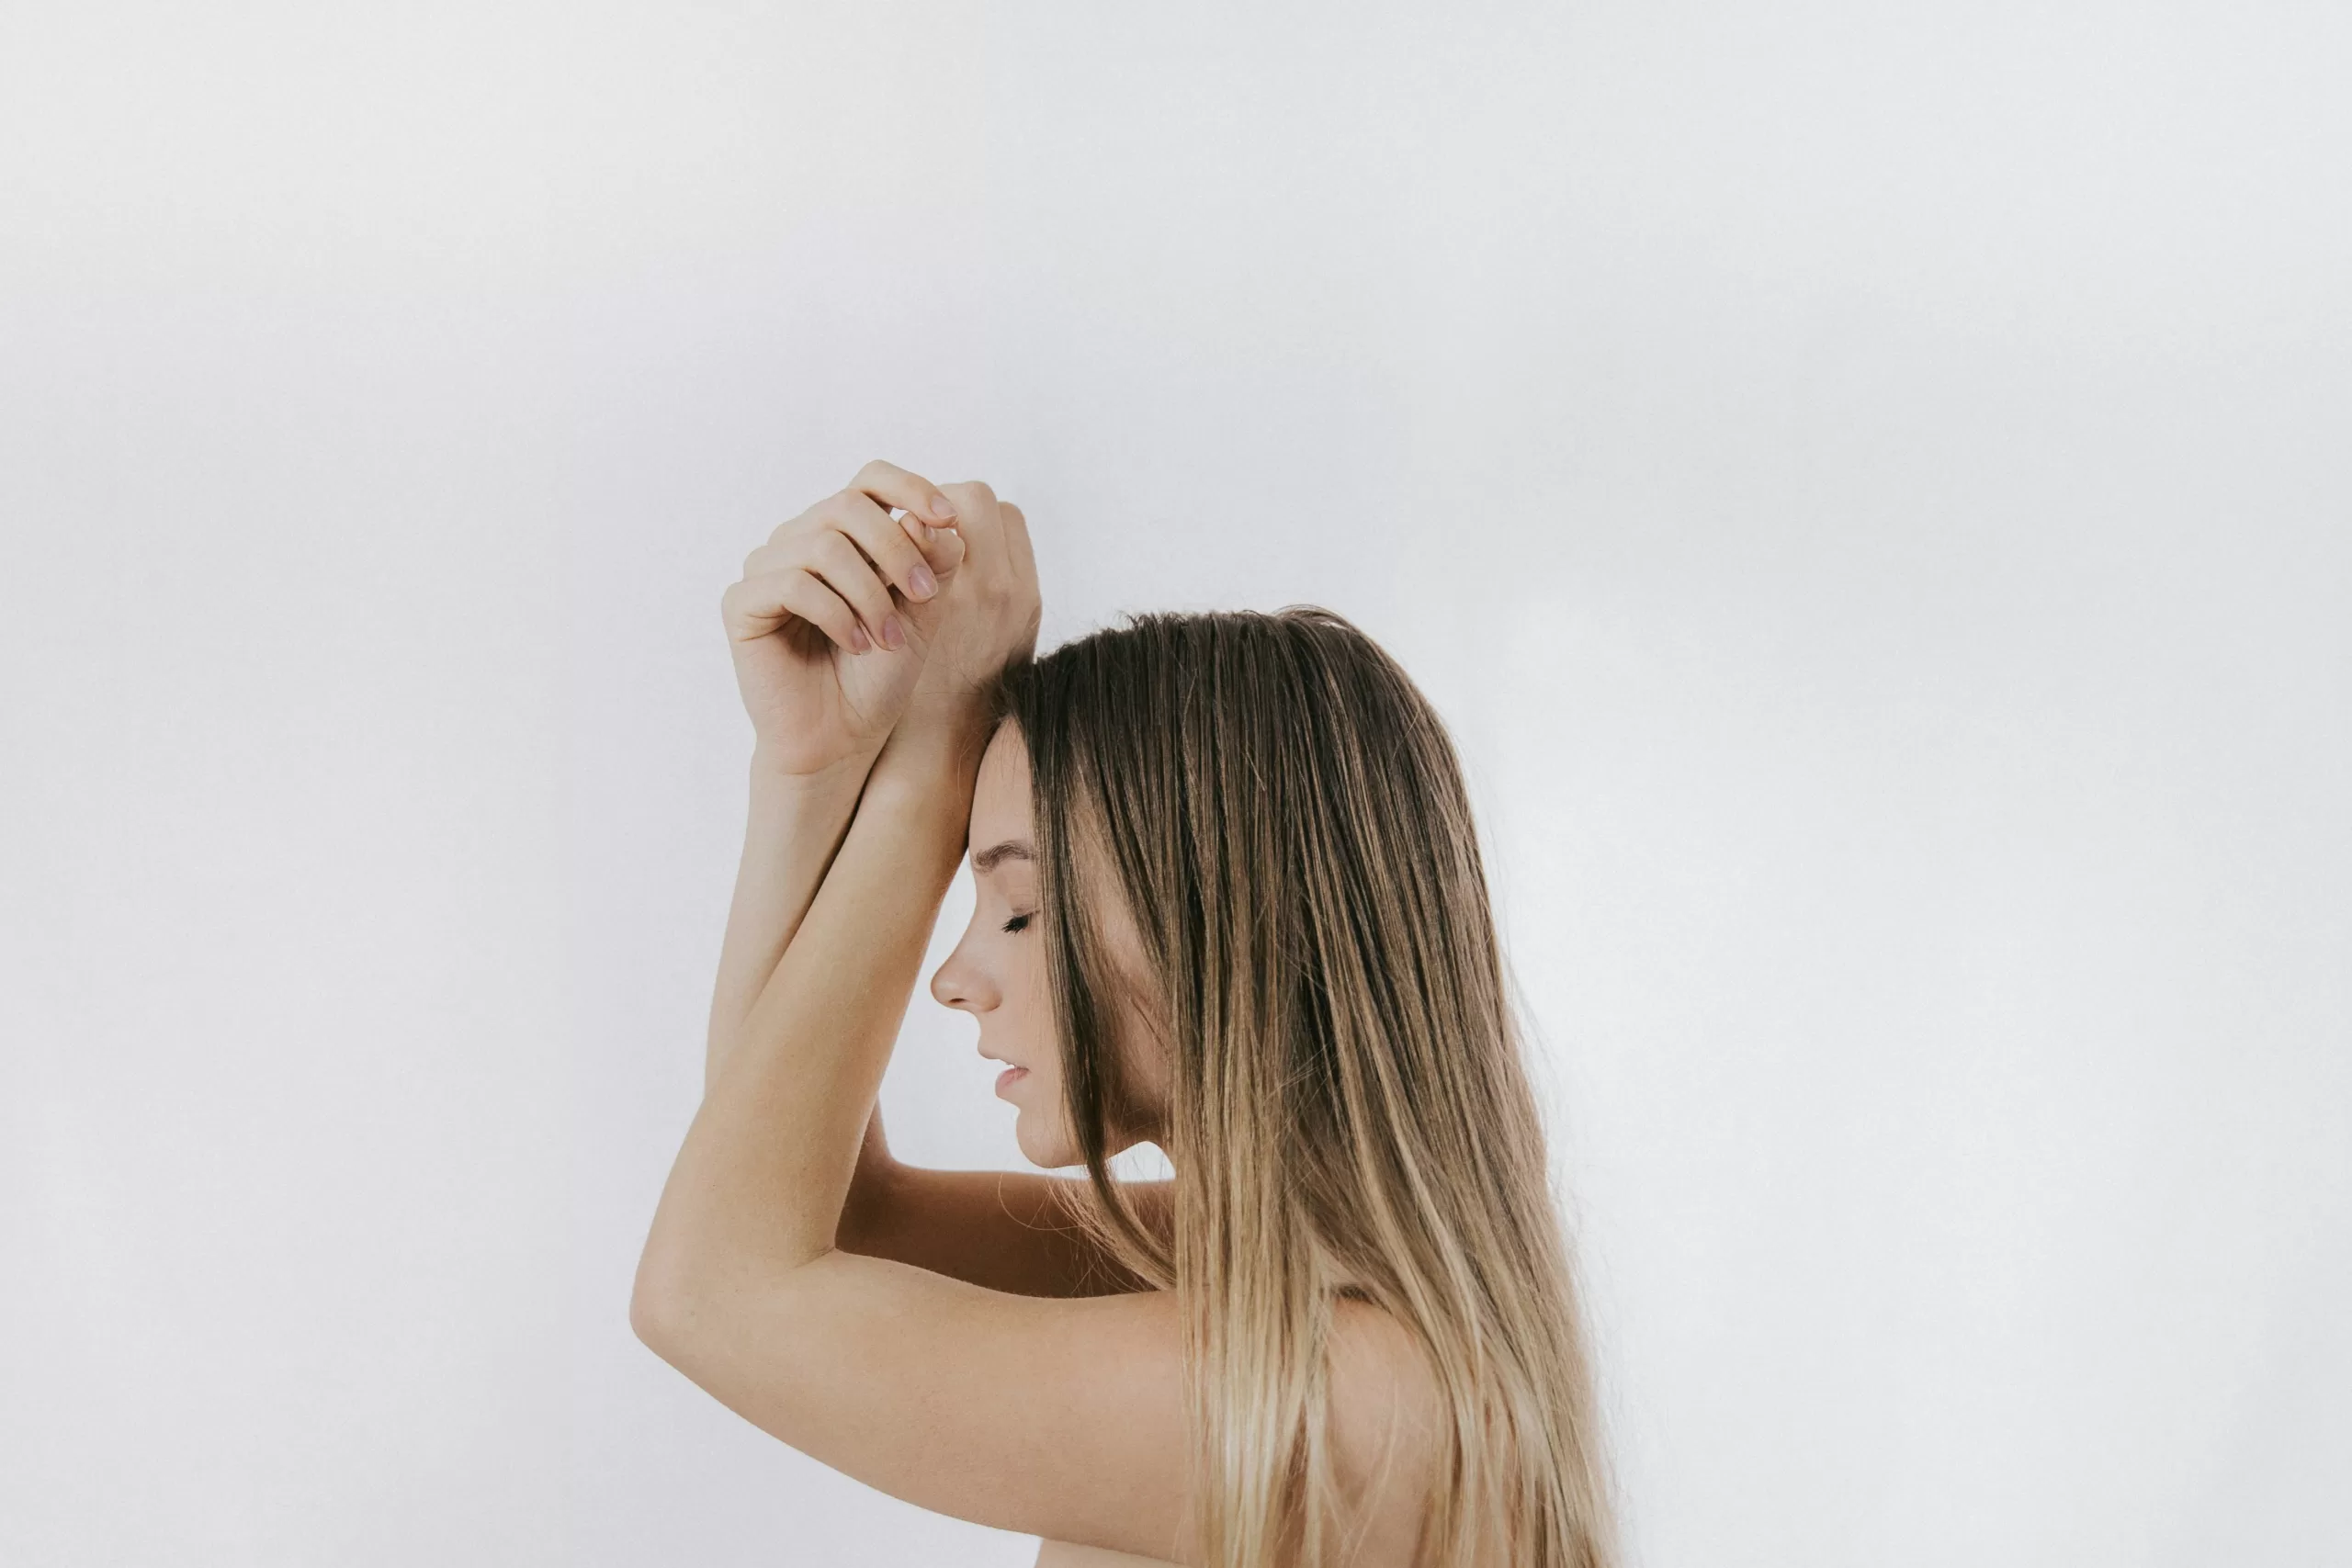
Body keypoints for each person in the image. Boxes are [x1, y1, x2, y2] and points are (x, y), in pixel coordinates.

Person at [631, 461, 1620, 1567]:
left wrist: (934, 755)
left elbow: (712, 1292)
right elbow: (818, 1206)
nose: (953, 977)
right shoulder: (1287, 1289)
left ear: (1232, 927)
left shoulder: (1347, 1400)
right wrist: (810, 771)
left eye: (1022, 907)